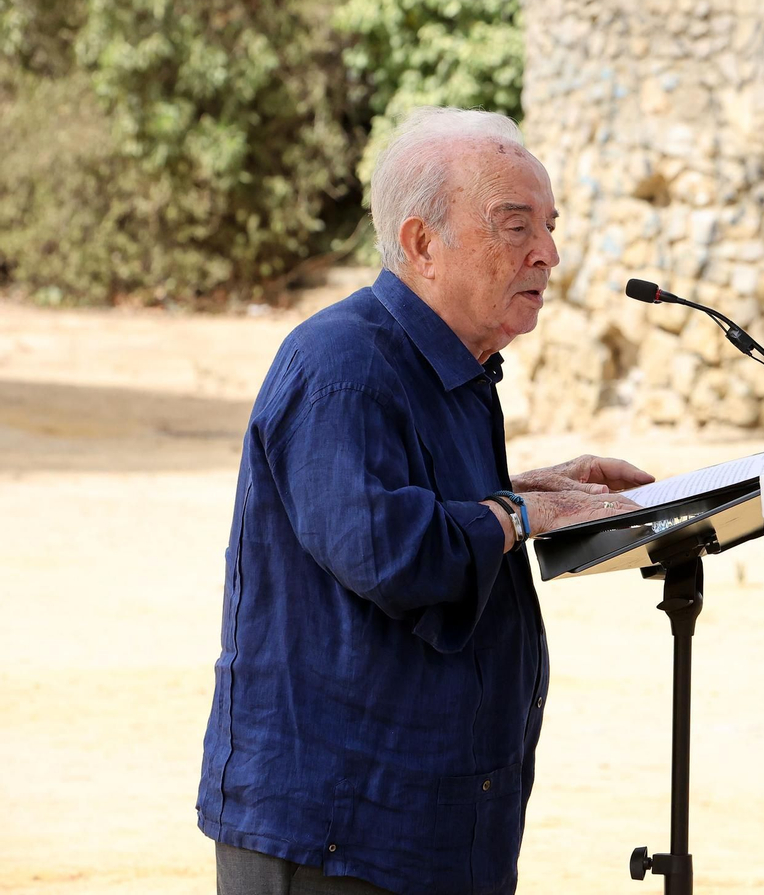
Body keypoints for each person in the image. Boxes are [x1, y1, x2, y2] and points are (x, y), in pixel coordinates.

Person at [196, 106, 652, 895]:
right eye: (515, 226)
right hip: (341, 839)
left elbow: (425, 508)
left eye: (549, 227)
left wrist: (527, 493)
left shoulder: (453, 369)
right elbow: (386, 551)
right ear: (421, 244)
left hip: (432, 830)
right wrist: (518, 516)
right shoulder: (342, 365)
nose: (547, 253)